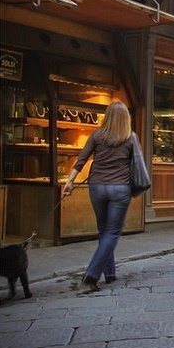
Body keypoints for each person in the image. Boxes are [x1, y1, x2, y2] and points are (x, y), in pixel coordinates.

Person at [62, 101, 138, 292]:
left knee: (104, 230)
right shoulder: (130, 138)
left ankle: (110, 274)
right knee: (112, 232)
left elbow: (81, 160)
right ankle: (91, 276)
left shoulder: (96, 135)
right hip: (120, 188)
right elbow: (137, 164)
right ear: (125, 119)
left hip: (97, 187)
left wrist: (69, 182)